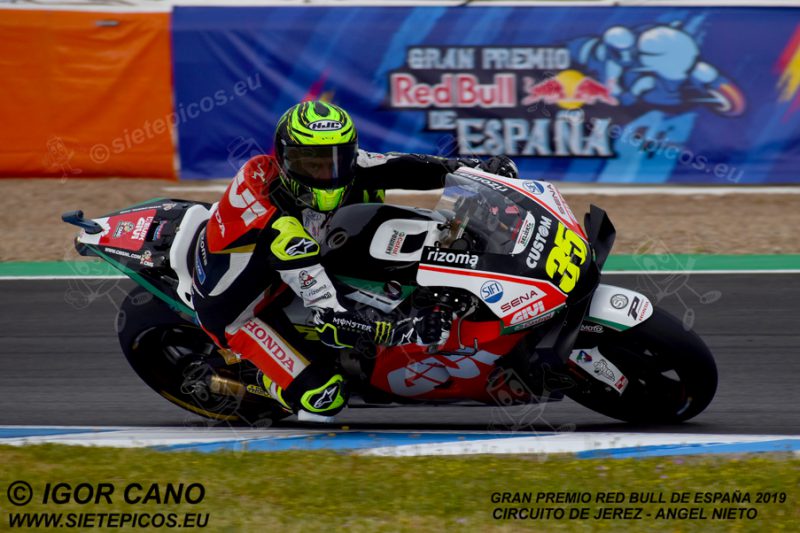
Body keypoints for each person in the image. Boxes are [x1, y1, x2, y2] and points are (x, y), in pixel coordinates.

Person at [191, 100, 518, 419]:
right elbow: (330, 316)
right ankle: (256, 379)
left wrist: (476, 171)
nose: (325, 172)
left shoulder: (345, 167)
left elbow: (404, 167)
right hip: (243, 308)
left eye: (335, 159)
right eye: (311, 163)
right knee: (323, 398)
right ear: (285, 160)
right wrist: (401, 331)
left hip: (305, 253)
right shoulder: (281, 230)